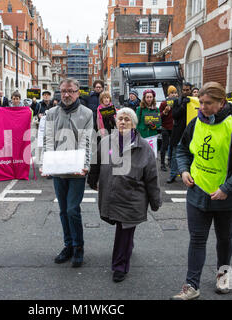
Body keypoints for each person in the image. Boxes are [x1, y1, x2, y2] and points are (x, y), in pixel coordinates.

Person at [171, 82, 232, 300]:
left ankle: (223, 277)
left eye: (208, 103)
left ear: (222, 103)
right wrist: (183, 170)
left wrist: (227, 188)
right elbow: (182, 149)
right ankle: (191, 285)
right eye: (200, 102)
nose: (203, 107)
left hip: (228, 197)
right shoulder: (195, 123)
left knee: (224, 239)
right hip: (198, 193)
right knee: (197, 240)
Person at [88, 108, 161, 283]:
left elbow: (152, 177)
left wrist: (155, 201)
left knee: (124, 230)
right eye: (120, 119)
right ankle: (126, 247)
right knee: (123, 229)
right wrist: (92, 180)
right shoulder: (106, 142)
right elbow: (96, 163)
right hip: (111, 195)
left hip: (132, 197)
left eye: (127, 119)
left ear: (134, 124)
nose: (123, 122)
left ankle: (120, 267)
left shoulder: (144, 148)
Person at [41, 78, 93, 268]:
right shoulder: (51, 113)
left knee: (72, 209)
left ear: (78, 92)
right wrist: (45, 164)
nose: (66, 94)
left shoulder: (87, 113)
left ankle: (79, 247)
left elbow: (86, 141)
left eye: (70, 91)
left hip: (77, 169)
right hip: (57, 168)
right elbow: (47, 139)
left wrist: (85, 164)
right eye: (63, 91)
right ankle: (68, 245)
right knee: (63, 210)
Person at [167, 82, 192, 183]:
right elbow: (174, 115)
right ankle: (173, 174)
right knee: (175, 155)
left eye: (187, 90)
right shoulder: (177, 101)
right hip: (178, 132)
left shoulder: (195, 102)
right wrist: (183, 106)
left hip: (191, 132)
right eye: (184, 90)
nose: (185, 92)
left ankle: (189, 174)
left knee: (191, 154)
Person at [159, 86, 178, 171]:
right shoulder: (164, 103)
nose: (174, 94)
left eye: (175, 93)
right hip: (165, 127)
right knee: (164, 145)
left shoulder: (177, 102)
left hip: (174, 127)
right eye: (172, 93)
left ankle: (170, 162)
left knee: (173, 145)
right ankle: (162, 164)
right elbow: (159, 117)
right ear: (168, 94)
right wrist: (165, 111)